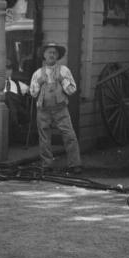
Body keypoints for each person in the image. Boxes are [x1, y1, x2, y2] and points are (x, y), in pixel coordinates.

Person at [29, 42, 81, 174]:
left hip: (60, 109)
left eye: (54, 53)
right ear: (44, 55)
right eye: (49, 52)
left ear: (57, 56)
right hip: (43, 110)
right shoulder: (37, 73)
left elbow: (72, 90)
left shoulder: (64, 70)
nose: (52, 55)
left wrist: (62, 80)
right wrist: (39, 84)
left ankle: (74, 164)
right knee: (44, 138)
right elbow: (33, 93)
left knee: (69, 135)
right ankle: (46, 165)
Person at [3, 58, 31, 143]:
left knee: (8, 95)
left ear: (11, 71)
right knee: (7, 97)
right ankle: (14, 128)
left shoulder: (18, 84)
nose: (6, 71)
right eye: (4, 69)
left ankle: (14, 126)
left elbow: (32, 90)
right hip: (2, 114)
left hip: (19, 113)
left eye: (8, 69)